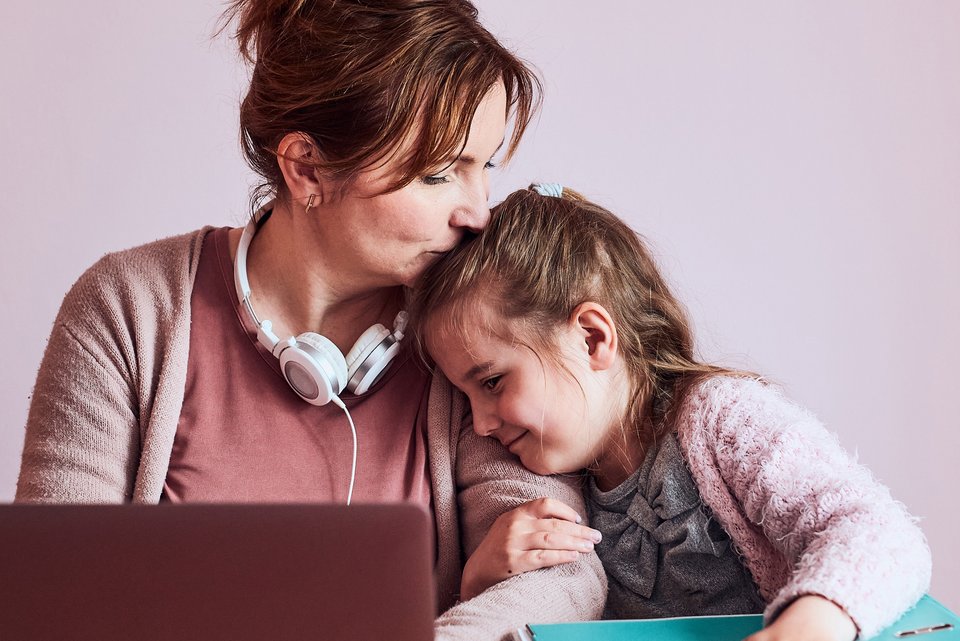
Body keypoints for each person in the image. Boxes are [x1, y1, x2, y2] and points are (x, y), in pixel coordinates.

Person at [15, 2, 607, 639]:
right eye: (438, 174)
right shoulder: (127, 307)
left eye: (483, 167)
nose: (477, 212)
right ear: (307, 167)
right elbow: (51, 591)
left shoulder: (475, 337)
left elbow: (561, 570)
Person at [412, 184, 932, 641]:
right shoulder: (558, 484)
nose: (480, 422)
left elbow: (880, 534)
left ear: (592, 338)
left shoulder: (721, 421)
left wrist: (809, 624)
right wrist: (477, 581)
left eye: (493, 382)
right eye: (468, 396)